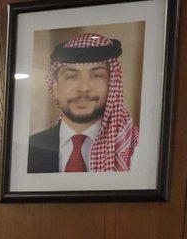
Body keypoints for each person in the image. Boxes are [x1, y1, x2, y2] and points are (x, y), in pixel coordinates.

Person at [27, 33, 139, 173]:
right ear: (55, 87)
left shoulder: (136, 148)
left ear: (112, 85)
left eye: (96, 75)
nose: (83, 88)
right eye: (72, 76)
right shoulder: (28, 149)